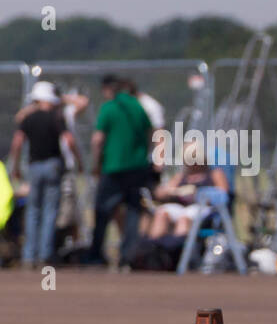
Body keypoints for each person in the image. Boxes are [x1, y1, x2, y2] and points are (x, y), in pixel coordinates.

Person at [8, 81, 80, 268]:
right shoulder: (56, 117)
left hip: (34, 166)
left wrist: (14, 166)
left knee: (33, 211)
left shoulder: (29, 118)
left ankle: (28, 256)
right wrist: (79, 160)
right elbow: (69, 140)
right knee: (50, 211)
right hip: (53, 165)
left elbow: (17, 142)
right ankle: (45, 255)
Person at [88, 74, 155, 266]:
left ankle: (95, 255)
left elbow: (97, 140)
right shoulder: (137, 106)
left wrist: (96, 164)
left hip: (113, 167)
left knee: (102, 211)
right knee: (133, 211)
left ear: (108, 89)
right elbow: (151, 133)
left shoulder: (109, 108)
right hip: (137, 167)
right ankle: (128, 256)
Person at [148, 141, 229, 238]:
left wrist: (199, 194)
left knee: (184, 218)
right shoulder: (182, 175)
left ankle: (178, 248)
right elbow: (164, 191)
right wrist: (169, 192)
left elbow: (223, 194)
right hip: (181, 207)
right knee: (161, 213)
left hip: (203, 208)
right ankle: (153, 247)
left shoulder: (214, 173)